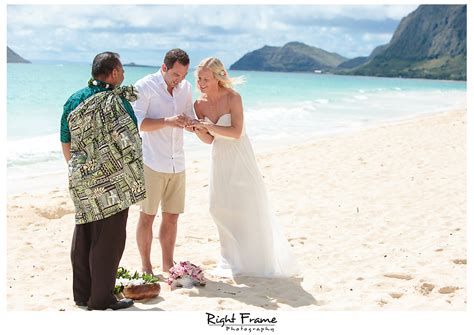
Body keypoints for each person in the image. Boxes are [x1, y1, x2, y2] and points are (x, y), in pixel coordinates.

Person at [190, 57, 299, 278]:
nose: (201, 83)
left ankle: (255, 261)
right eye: (199, 78)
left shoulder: (233, 97)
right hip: (219, 157)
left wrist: (208, 126)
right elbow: (210, 140)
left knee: (246, 206)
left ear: (218, 78)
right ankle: (231, 260)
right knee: (218, 207)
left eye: (205, 78)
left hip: (240, 156)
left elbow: (236, 132)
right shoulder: (198, 105)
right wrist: (197, 130)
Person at [60, 52, 146, 310]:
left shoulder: (74, 99)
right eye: (122, 70)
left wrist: (78, 171)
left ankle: (82, 295)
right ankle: (101, 299)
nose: (124, 75)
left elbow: (66, 140)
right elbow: (131, 142)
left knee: (84, 232)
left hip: (81, 177)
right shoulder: (119, 102)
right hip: (114, 182)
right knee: (109, 238)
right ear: (115, 72)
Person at [132, 49, 195, 275]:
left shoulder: (185, 88)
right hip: (151, 161)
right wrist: (168, 121)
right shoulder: (144, 86)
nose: (180, 80)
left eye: (184, 75)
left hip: (178, 162)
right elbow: (137, 123)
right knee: (147, 216)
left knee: (172, 216)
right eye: (176, 74)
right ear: (164, 68)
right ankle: (146, 267)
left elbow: (189, 115)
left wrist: (193, 124)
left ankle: (168, 265)